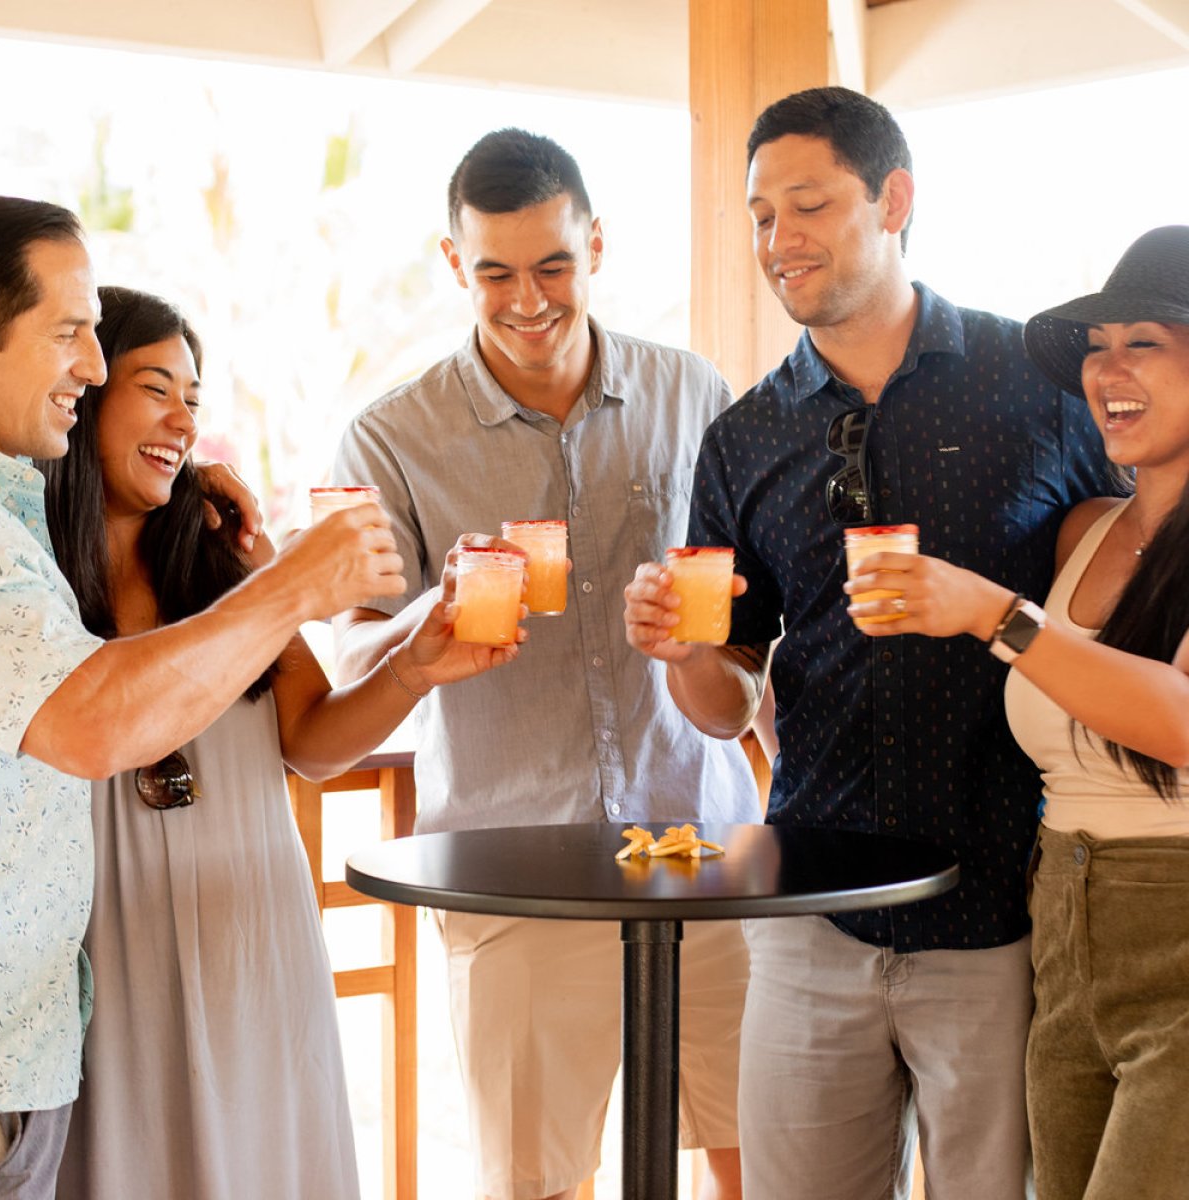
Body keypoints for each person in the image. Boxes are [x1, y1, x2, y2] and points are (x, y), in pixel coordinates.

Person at [622, 87, 1115, 1200]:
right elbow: (723, 697)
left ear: (894, 200)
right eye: (758, 217)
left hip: (1007, 906)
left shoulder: (1040, 388)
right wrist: (680, 652)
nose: (777, 241)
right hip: (810, 918)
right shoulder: (745, 435)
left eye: (808, 205)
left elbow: (1130, 602)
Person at [331, 128, 759, 1200]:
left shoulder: (696, 395)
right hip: (508, 867)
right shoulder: (391, 437)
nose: (528, 299)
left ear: (598, 246)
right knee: (536, 1183)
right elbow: (355, 653)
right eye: (496, 273)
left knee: (766, 1160)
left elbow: (751, 640)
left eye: (553, 266)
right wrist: (438, 618)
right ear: (452, 263)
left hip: (697, 851)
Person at [0, 197, 404, 1199]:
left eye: (194, 397)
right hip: (90, 981)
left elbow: (309, 731)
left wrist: (418, 657)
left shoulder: (210, 554)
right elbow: (95, 717)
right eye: (74, 338)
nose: (84, 367)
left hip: (206, 958)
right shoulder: (32, 541)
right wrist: (295, 582)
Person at [844, 224, 1189, 1200]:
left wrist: (997, 615)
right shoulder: (1090, 529)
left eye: (1145, 344)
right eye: (1097, 347)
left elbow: (1180, 723)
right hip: (1063, 929)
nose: (1108, 371)